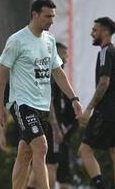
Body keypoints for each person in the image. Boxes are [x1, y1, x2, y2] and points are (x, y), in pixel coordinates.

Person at [0, 0, 82, 189]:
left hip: (41, 105)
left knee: (25, 153)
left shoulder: (49, 41)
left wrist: (73, 98)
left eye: (53, 16)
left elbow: (57, 72)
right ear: (34, 15)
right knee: (41, 148)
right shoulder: (17, 40)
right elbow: (1, 74)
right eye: (48, 16)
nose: (51, 20)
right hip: (22, 103)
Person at [78, 17, 115, 189]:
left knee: (85, 150)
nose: (92, 33)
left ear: (105, 32)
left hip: (106, 111)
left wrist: (89, 108)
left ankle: (99, 186)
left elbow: (104, 82)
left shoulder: (105, 52)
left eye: (95, 30)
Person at [26, 42, 78, 189]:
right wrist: (55, 127)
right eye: (64, 55)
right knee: (50, 166)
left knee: (38, 166)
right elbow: (47, 102)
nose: (66, 59)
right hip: (48, 126)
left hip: (41, 125)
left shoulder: (55, 75)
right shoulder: (50, 75)